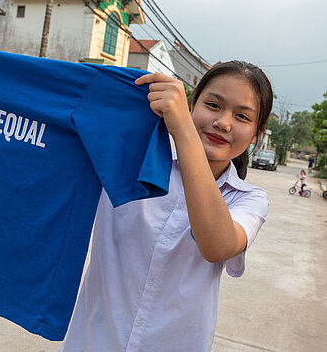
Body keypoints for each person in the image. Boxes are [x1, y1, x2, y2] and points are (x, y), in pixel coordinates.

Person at [59, 61, 273, 352]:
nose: (223, 123)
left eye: (242, 117)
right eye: (213, 105)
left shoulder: (249, 199)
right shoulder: (129, 159)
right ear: (193, 104)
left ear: (256, 134)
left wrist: (184, 130)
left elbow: (217, 246)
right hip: (92, 342)